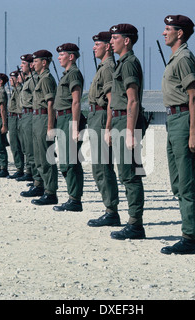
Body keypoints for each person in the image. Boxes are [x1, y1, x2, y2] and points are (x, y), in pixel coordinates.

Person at [159, 15, 195, 255]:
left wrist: (193, 132)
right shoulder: (175, 58)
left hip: (184, 120)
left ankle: (190, 238)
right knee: (178, 182)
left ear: (180, 33)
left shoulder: (184, 58)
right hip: (173, 120)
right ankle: (188, 233)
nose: (164, 32)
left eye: (168, 29)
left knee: (186, 183)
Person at [107, 24, 146, 240]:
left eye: (115, 38)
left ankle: (135, 224)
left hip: (128, 122)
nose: (111, 42)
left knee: (130, 175)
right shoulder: (122, 63)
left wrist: (130, 132)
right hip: (121, 120)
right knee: (127, 173)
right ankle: (134, 222)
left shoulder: (129, 64)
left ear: (127, 40)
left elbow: (133, 100)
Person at [86, 31, 121, 227]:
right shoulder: (103, 67)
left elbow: (111, 101)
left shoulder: (108, 68)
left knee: (102, 167)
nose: (94, 47)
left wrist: (108, 127)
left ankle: (111, 211)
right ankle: (109, 208)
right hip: (95, 117)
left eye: (97, 44)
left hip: (101, 118)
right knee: (98, 166)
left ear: (107, 46)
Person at [20, 49, 59, 206]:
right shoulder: (40, 78)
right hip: (37, 117)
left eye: (36, 61)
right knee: (37, 154)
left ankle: (50, 192)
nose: (33, 64)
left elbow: (51, 103)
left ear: (44, 62)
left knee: (45, 156)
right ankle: (39, 185)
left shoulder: (47, 79)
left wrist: (50, 126)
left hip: (43, 118)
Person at [53, 43, 85, 212]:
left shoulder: (74, 74)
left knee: (70, 160)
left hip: (69, 119)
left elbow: (76, 101)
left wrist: (74, 126)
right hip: (63, 118)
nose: (59, 57)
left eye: (62, 55)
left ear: (71, 57)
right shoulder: (66, 74)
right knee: (66, 160)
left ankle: (75, 199)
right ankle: (72, 197)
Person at [17, 54, 37, 183]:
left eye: (23, 64)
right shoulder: (29, 80)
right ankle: (31, 174)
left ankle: (35, 177)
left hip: (31, 114)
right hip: (25, 115)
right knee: (26, 146)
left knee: (31, 148)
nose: (21, 66)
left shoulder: (35, 79)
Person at [7, 70, 25, 179]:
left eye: (12, 78)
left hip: (19, 117)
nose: (10, 81)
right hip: (13, 117)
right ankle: (19, 168)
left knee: (21, 145)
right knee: (14, 144)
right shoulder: (15, 90)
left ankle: (25, 169)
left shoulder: (20, 90)